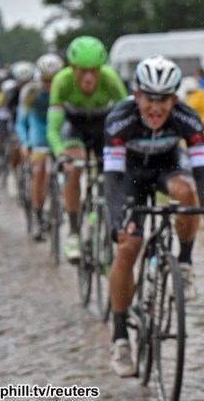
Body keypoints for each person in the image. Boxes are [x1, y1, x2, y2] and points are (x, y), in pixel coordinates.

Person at [103, 55, 204, 377]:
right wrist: (117, 218)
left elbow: (201, 172)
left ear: (175, 98)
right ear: (136, 94)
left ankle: (183, 264)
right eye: (148, 99)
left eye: (164, 100)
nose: (155, 108)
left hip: (168, 167)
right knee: (128, 246)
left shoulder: (187, 118)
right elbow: (113, 178)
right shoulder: (120, 119)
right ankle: (120, 339)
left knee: (187, 194)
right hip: (131, 176)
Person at [46, 35, 128, 264]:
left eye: (94, 70)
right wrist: (60, 152)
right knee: (76, 164)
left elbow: (129, 114)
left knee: (112, 171)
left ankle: (101, 218)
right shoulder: (61, 82)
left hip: (103, 125)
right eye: (83, 71)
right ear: (72, 68)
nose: (89, 77)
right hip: (74, 126)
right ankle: (73, 231)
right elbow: (53, 128)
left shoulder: (110, 78)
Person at [15, 53, 65, 240]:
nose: (49, 85)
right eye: (46, 80)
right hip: (38, 134)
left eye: (54, 81)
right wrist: (25, 142)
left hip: (58, 132)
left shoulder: (66, 88)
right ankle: (37, 213)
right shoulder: (30, 92)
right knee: (38, 170)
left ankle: (65, 199)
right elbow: (21, 121)